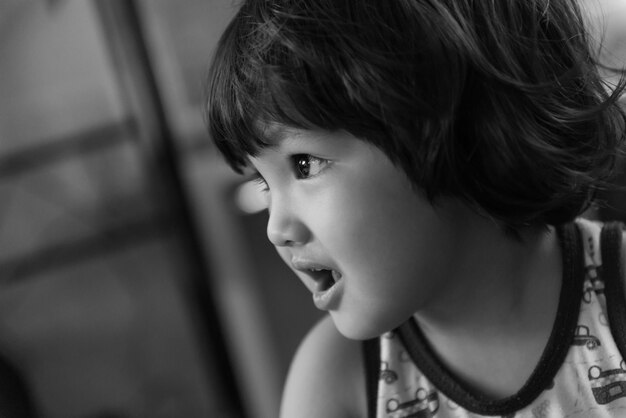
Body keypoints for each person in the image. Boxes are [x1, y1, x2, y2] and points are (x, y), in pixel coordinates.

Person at [205, 0, 626, 416]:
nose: (276, 229)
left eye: (305, 164)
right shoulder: (337, 383)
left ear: (450, 123)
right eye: (262, 182)